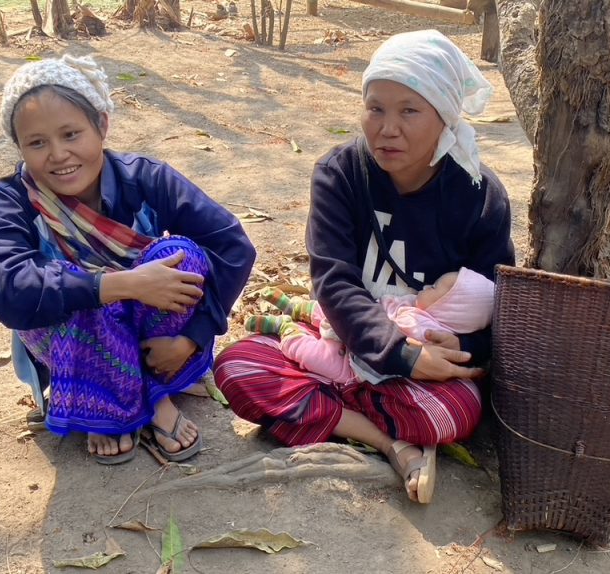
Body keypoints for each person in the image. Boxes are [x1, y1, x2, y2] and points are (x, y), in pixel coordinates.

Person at [213, 30, 515, 503]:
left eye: (409, 110)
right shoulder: (340, 174)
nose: (387, 128)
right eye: (375, 108)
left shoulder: (479, 196)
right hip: (349, 339)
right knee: (236, 367)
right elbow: (333, 281)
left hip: (424, 360)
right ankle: (392, 443)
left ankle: (333, 412)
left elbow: (500, 300)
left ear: (445, 117)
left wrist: (460, 347)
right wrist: (402, 357)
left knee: (450, 415)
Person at [0, 55, 255, 465]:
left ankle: (119, 394)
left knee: (181, 255)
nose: (58, 154)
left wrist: (191, 337)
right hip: (70, 332)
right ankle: (142, 400)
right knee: (64, 283)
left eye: (71, 134)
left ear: (102, 126)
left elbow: (232, 246)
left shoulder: (146, 179)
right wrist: (118, 285)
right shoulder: (14, 198)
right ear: (19, 147)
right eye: (37, 143)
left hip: (148, 334)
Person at [245, 267, 495, 384]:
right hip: (355, 328)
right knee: (238, 369)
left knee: (318, 358)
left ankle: (286, 330)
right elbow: (337, 288)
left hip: (360, 364)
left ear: (448, 308)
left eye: (436, 289)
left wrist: (467, 345)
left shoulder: (426, 328)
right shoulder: (338, 174)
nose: (427, 287)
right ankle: (298, 307)